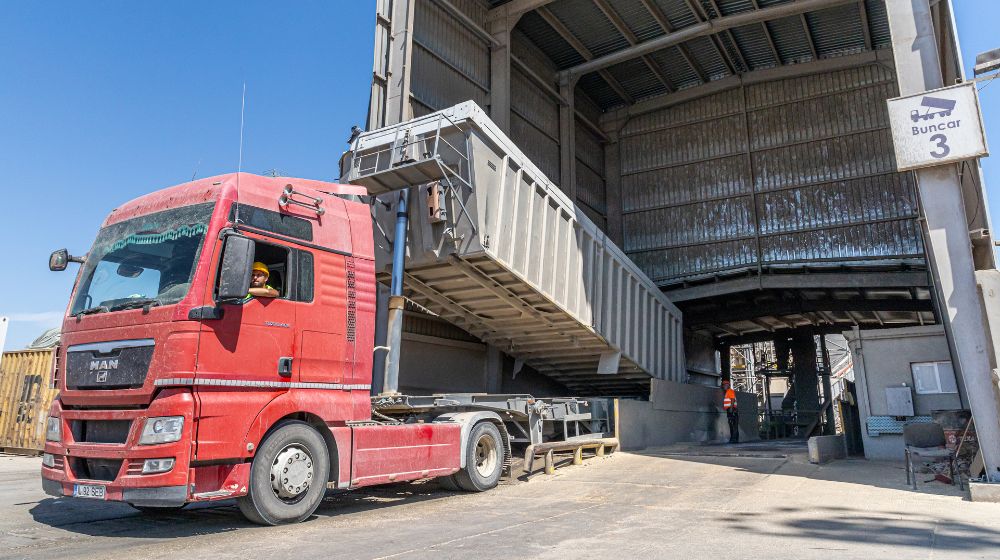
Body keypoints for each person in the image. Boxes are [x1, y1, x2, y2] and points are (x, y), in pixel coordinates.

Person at [722, 379, 739, 444]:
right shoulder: (728, 392)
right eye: (723, 385)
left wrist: (731, 408)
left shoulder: (730, 391)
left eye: (725, 385)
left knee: (733, 425)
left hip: (732, 410)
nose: (724, 386)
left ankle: (733, 439)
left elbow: (732, 399)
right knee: (733, 424)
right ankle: (734, 439)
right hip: (731, 410)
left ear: (728, 385)